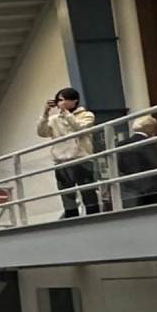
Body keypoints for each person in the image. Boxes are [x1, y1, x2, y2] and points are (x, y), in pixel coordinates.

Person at [37, 87, 99, 217]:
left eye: (63, 99)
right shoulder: (54, 119)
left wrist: (66, 113)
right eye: (58, 100)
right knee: (67, 196)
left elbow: (80, 128)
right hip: (61, 161)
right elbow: (42, 132)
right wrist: (45, 113)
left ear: (74, 101)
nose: (60, 103)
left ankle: (94, 217)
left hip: (81, 159)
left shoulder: (87, 115)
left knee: (88, 193)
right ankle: (71, 218)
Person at [116, 115, 157, 208]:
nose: (154, 130)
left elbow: (119, 166)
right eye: (153, 127)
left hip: (131, 190)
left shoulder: (121, 145)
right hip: (154, 189)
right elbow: (156, 164)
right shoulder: (148, 144)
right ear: (147, 127)